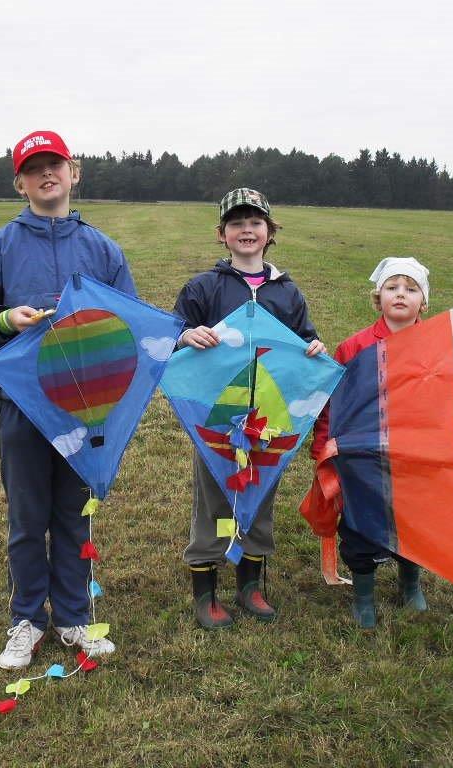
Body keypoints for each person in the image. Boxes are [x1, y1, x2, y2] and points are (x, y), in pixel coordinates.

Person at [0, 130, 135, 668]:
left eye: (54, 164)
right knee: (28, 518)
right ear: (20, 184)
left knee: (75, 515)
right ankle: (27, 619)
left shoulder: (103, 249)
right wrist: (5, 320)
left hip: (83, 407)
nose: (46, 174)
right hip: (22, 405)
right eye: (34, 169)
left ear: (74, 172)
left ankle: (74, 616)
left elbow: (127, 323)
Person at [174, 188, 326, 629]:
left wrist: (313, 347)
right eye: (236, 223)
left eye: (255, 222)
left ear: (269, 232)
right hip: (218, 417)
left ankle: (250, 583)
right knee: (214, 497)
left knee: (259, 496)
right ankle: (205, 587)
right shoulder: (204, 287)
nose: (246, 230)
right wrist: (185, 336)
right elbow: (171, 335)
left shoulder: (287, 292)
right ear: (222, 234)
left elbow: (303, 340)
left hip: (269, 418)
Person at [308, 256, 431, 628]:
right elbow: (334, 403)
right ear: (379, 297)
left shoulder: (437, 346)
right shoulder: (354, 347)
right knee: (360, 524)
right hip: (363, 457)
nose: (401, 294)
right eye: (392, 287)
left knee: (414, 521)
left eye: (411, 289)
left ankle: (411, 582)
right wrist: (324, 445)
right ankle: (363, 595)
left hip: (416, 456)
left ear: (423, 302)